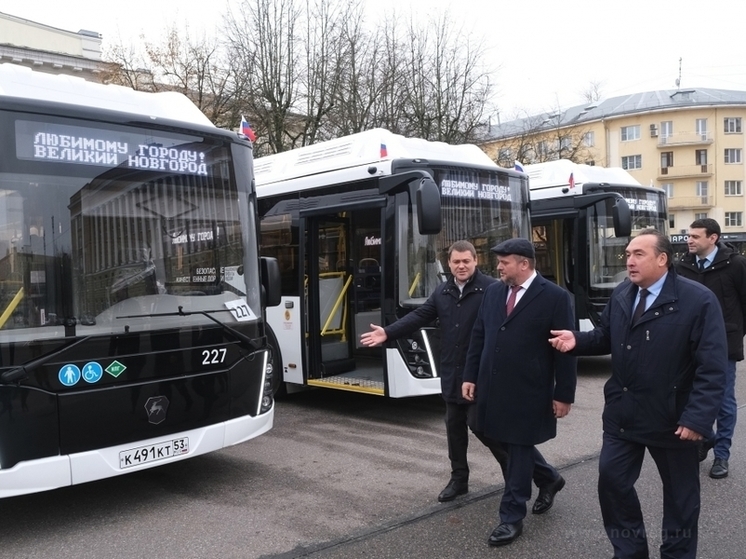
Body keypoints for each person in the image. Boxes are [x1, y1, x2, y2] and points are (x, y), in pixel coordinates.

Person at [549, 229, 726, 559]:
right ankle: (629, 551)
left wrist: (698, 418)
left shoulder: (698, 300)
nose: (629, 261)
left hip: (674, 420)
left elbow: (712, 367)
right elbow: (605, 336)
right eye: (627, 255)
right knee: (612, 484)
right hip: (623, 413)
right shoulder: (622, 294)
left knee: (681, 499)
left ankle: (677, 554)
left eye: (638, 254)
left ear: (662, 259)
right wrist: (578, 340)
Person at [361, 240, 520, 503]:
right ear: (449, 263)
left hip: (480, 374)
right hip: (451, 373)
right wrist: (387, 332)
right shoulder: (443, 291)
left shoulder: (493, 289)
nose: (461, 266)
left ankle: (519, 476)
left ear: (475, 261)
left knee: (484, 428)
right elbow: (420, 316)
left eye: (466, 261)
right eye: (456, 262)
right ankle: (459, 480)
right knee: (454, 427)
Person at [462, 238, 576, 547]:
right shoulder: (494, 292)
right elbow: (479, 335)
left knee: (519, 448)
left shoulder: (555, 297)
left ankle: (511, 518)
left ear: (524, 264)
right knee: (491, 434)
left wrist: (564, 394)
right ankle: (549, 477)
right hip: (491, 385)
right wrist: (470, 375)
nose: (497, 267)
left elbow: (565, 349)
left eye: (504, 262)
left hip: (530, 390)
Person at [675, 218, 746, 479]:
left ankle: (722, 456)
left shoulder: (735, 264)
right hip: (688, 344)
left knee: (723, 402)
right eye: (688, 236)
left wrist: (735, 332)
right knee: (689, 396)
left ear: (713, 238)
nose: (689, 240)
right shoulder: (682, 265)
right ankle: (708, 437)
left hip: (724, 345)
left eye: (695, 236)